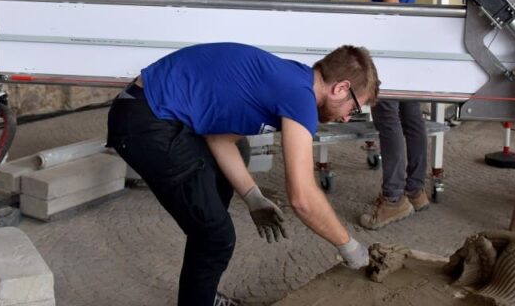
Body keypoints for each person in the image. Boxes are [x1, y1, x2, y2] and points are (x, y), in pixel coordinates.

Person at [106, 42, 380, 306]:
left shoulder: (294, 80)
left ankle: (202, 291)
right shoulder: (300, 97)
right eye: (354, 108)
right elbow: (302, 198)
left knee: (235, 162)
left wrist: (253, 196)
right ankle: (200, 292)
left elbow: (219, 139)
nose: (348, 118)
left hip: (150, 109)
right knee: (216, 236)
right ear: (340, 88)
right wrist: (349, 246)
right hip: (145, 121)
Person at [327, 0, 430, 229]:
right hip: (412, 38)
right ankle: (416, 190)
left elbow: (391, 6)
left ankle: (394, 200)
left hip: (392, 39)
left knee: (388, 118)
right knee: (411, 114)